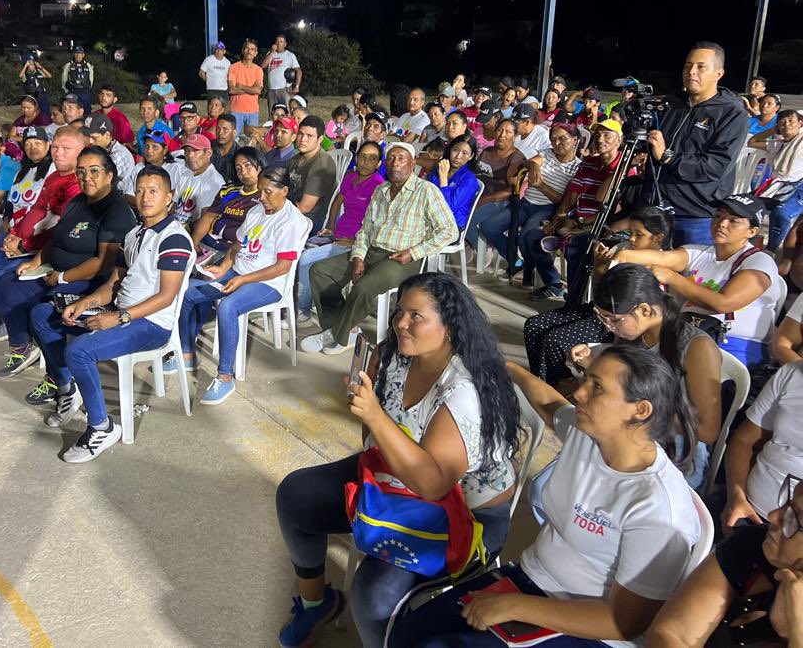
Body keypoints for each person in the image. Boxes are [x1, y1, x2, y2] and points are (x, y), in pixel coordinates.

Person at [392, 345, 701, 648]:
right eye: (586, 380)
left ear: (640, 410)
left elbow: (623, 623)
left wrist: (515, 607)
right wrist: (509, 369)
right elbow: (551, 405)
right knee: (408, 633)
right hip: (531, 580)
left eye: (597, 388)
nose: (579, 393)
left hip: (595, 633)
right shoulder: (591, 435)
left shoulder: (660, 510)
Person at [276, 272, 522, 648]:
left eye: (415, 316)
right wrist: (370, 416)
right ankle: (316, 603)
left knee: (373, 596)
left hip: (463, 516)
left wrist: (373, 415)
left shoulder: (462, 391)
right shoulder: (394, 357)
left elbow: (434, 483)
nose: (400, 324)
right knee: (296, 496)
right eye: (399, 312)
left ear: (451, 325)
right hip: (397, 479)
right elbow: (373, 441)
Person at [29, 165, 193, 461]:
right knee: (43, 315)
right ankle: (68, 389)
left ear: (169, 197)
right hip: (120, 310)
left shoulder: (174, 238)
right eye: (140, 190)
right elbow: (116, 280)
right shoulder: (135, 233)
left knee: (79, 351)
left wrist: (118, 317)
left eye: (153, 191)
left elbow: (167, 297)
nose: (145, 197)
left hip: (150, 324)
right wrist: (86, 301)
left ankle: (101, 427)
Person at [564, 263, 723, 489]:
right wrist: (592, 366)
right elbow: (625, 391)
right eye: (604, 319)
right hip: (630, 436)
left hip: (675, 454)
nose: (609, 327)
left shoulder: (696, 347)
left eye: (614, 319)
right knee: (559, 480)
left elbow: (707, 430)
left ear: (645, 310)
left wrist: (635, 406)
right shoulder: (635, 335)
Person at [0, 146, 136, 380]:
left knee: (43, 315)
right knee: (4, 286)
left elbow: (103, 264)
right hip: (56, 271)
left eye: (94, 171)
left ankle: (59, 378)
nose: (86, 177)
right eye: (81, 171)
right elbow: (58, 235)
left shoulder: (116, 211)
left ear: (109, 175)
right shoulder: (79, 200)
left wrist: (61, 277)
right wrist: (37, 260)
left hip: (87, 281)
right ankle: (24, 348)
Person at [304, 144, 459, 354]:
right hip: (371, 251)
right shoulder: (381, 190)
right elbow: (365, 229)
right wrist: (358, 256)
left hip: (402, 258)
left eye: (402, 159)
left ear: (413, 164)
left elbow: (449, 231)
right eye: (391, 158)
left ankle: (335, 335)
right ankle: (342, 329)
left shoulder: (426, 191)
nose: (396, 163)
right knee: (320, 271)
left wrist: (414, 252)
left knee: (364, 287)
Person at [175, 165, 310, 404]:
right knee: (187, 292)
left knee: (228, 307)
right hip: (239, 272)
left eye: (268, 192)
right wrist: (224, 268)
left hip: (269, 284)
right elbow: (238, 246)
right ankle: (186, 353)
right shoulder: (257, 211)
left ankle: (225, 376)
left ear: (285, 190)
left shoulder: (291, 220)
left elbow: (283, 267)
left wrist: (242, 279)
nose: (262, 197)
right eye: (261, 191)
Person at [615, 194, 780, 370]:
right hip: (687, 335)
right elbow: (662, 257)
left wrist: (672, 278)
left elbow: (723, 303)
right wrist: (623, 254)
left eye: (734, 220)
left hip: (733, 344)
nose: (722, 223)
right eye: (718, 216)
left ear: (752, 232)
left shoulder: (759, 261)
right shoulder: (697, 252)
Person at [523, 206, 675, 385]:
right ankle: (543, 382)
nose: (632, 239)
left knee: (554, 340)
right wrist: (599, 267)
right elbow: (599, 290)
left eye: (639, 234)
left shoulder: (660, 261)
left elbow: (633, 315)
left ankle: (563, 384)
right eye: (630, 232)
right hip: (599, 310)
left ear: (657, 237)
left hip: (618, 321)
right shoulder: (622, 248)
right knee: (533, 325)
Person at [648, 476, 803, 648]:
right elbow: (672, 634)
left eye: (794, 519)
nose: (773, 516)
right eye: (787, 503)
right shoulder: (752, 546)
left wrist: (798, 633)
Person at [640, 42, 749, 246]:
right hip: (654, 206)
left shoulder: (732, 113)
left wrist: (668, 156)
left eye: (701, 67)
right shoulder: (672, 103)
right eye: (687, 66)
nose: (691, 72)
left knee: (687, 277)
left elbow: (716, 166)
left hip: (694, 214)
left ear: (719, 73)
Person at [524, 119, 627, 300]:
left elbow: (610, 206)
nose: (600, 140)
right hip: (575, 220)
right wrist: (559, 217)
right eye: (597, 136)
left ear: (619, 141)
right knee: (533, 236)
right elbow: (572, 194)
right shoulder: (588, 163)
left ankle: (574, 301)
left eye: (607, 135)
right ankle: (553, 283)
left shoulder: (625, 168)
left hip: (600, 225)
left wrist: (578, 224)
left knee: (575, 249)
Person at [295, 141, 385, 322]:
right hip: (337, 235)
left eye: (372, 158)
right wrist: (330, 227)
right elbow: (337, 203)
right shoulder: (351, 177)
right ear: (357, 158)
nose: (366, 162)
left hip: (353, 242)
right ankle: (309, 300)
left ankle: (302, 309)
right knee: (299, 249)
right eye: (363, 157)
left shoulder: (379, 186)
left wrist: (356, 242)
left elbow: (380, 222)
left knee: (306, 259)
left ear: (379, 164)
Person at [481, 123, 581, 272]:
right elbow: (528, 162)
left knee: (524, 238)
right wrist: (532, 165)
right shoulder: (548, 153)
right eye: (553, 139)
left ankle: (530, 270)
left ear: (575, 140)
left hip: (547, 209)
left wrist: (541, 186)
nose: (557, 143)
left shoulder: (577, 168)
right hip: (526, 203)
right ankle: (515, 260)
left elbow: (562, 201)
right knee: (488, 227)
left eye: (562, 139)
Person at [722, 361, 803, 532]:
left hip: (794, 538)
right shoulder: (792, 374)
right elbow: (745, 441)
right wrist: (736, 496)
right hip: (747, 509)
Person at [0, 127, 86, 262]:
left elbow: (65, 227)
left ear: (81, 152)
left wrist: (23, 245)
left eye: (66, 149)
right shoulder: (54, 176)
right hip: (23, 245)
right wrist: (13, 235)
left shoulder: (78, 184)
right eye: (55, 147)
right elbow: (36, 208)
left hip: (44, 254)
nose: (58, 153)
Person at [191, 146, 264, 255]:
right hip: (210, 241)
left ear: (260, 166)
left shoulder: (265, 195)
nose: (243, 172)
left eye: (247, 165)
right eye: (238, 168)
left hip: (238, 251)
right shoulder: (228, 190)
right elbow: (209, 217)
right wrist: (193, 243)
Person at [465, 118, 525, 250]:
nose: (502, 135)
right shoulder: (487, 151)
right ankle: (470, 243)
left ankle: (483, 248)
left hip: (499, 200)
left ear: (514, 137)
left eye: (508, 132)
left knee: (467, 219)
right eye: (499, 130)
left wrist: (485, 199)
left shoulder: (516, 158)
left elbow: (512, 191)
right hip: (478, 195)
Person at [750, 108, 803, 251]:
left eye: (791, 121)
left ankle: (771, 249)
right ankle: (748, 243)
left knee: (781, 213)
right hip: (776, 184)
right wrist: (773, 129)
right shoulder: (777, 144)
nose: (787, 124)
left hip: (798, 186)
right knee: (749, 206)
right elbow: (752, 141)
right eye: (782, 122)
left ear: (800, 123)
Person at [288, 115, 337, 235]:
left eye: (310, 136)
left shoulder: (322, 165)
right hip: (291, 213)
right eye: (300, 134)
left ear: (320, 140)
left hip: (309, 222)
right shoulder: (296, 159)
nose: (303, 139)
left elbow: (304, 208)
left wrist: (275, 211)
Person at [422, 134, 480, 231]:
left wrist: (443, 180)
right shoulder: (441, 168)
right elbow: (427, 190)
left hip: (451, 226)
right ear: (450, 150)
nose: (458, 156)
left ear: (471, 156)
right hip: (431, 218)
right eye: (455, 150)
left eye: (465, 153)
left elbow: (449, 209)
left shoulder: (469, 179)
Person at [169, 134, 225, 226]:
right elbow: (174, 207)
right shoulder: (186, 174)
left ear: (208, 153)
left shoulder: (214, 182)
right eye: (187, 151)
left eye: (196, 151)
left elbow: (205, 222)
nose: (190, 155)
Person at [80, 113, 134, 193]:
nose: (90, 141)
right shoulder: (100, 149)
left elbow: (105, 187)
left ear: (107, 135)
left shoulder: (119, 156)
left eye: (94, 138)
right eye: (88, 136)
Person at [123, 130, 173, 210]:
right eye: (147, 146)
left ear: (165, 150)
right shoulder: (139, 167)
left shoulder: (174, 169)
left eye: (155, 147)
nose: (149, 150)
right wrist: (147, 205)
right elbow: (128, 196)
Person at [227, 39, 265, 137]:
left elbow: (258, 90)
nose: (249, 51)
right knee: (233, 139)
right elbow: (231, 90)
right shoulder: (233, 67)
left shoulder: (258, 70)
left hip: (252, 111)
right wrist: (251, 90)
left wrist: (241, 86)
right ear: (243, 50)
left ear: (255, 53)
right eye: (247, 48)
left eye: (252, 49)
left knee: (252, 140)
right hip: (236, 110)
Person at [262, 34, 302, 106]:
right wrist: (271, 52)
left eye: (281, 42)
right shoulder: (270, 54)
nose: (278, 43)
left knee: (287, 111)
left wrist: (297, 86)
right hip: (271, 89)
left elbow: (299, 71)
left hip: (285, 89)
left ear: (285, 44)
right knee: (273, 113)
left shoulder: (290, 55)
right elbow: (263, 65)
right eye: (277, 41)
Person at [210, 113, 239, 182]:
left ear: (234, 133)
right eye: (218, 129)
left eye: (225, 129)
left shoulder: (239, 154)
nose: (220, 133)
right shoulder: (208, 147)